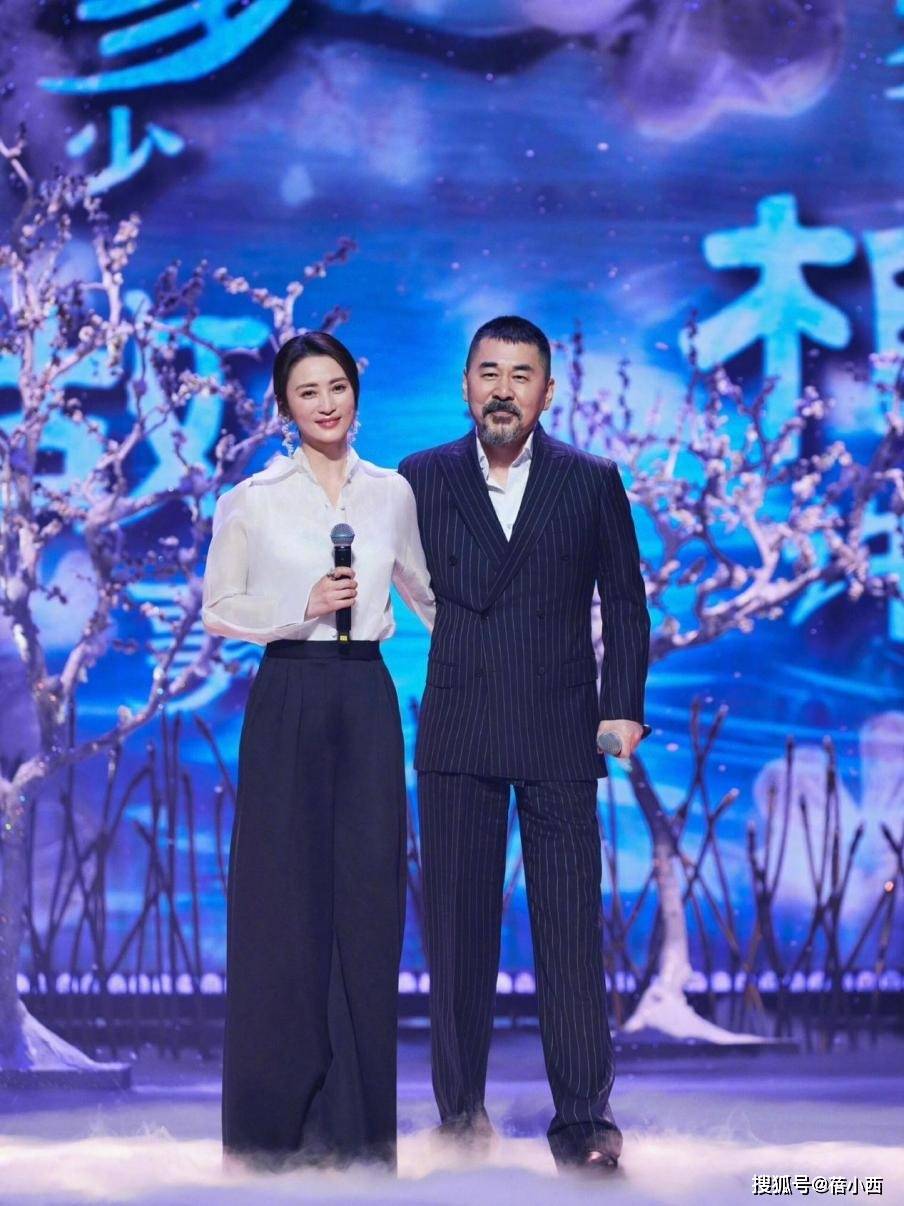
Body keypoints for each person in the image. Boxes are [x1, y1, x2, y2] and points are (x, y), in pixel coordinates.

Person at [398, 315, 651, 1174]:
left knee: (570, 933)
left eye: (521, 375)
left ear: (548, 390)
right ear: (465, 384)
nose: (503, 390)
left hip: (559, 722)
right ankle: (460, 1115)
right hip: (459, 722)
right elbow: (392, 577)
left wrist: (622, 707)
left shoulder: (590, 479)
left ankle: (584, 1122)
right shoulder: (420, 477)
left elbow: (624, 600)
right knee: (458, 933)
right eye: (488, 372)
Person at [201, 331, 435, 1171]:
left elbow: (428, 596)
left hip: (365, 697)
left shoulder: (392, 493)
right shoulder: (252, 499)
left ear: (355, 394)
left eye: (337, 386)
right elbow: (217, 608)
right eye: (308, 392)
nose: (327, 404)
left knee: (367, 906)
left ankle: (359, 1130)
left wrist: (511, 644)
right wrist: (295, 608)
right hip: (289, 692)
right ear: (284, 407)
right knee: (281, 904)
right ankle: (274, 1129)